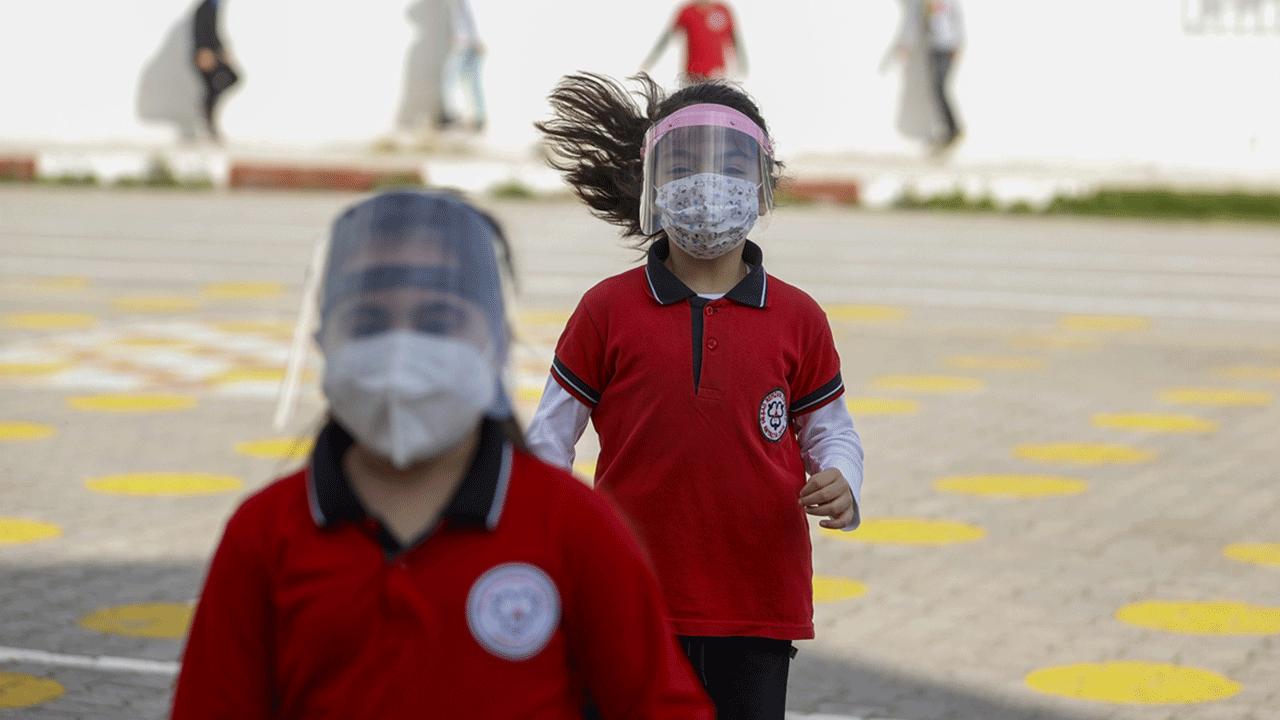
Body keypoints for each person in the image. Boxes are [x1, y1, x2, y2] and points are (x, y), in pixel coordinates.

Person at [171, 191, 713, 719]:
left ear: (493, 339)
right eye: (368, 322)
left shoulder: (573, 526)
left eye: (436, 319)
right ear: (323, 339)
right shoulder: (264, 535)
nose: (400, 349)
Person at [532, 75, 865, 720]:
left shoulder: (799, 317)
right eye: (683, 165)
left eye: (730, 165)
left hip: (760, 604)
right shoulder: (605, 309)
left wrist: (842, 479)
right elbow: (548, 438)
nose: (708, 183)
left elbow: (832, 430)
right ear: (652, 182)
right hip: (628, 600)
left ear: (762, 184)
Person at [897, 0, 964, 150]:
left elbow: (957, 19)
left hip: (948, 48)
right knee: (935, 88)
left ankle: (953, 127)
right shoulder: (922, 3)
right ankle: (945, 129)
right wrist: (906, 44)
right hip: (934, 48)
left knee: (940, 86)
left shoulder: (950, 3)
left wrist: (958, 43)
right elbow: (913, 23)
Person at [641, 1, 746, 84]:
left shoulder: (722, 11)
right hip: (692, 75)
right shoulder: (687, 12)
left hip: (717, 74)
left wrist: (742, 62)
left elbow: (735, 39)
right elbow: (666, 38)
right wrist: (650, 61)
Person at [192, 0, 239, 142]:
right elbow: (200, 31)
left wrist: (222, 50)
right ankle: (207, 113)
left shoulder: (214, 7)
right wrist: (203, 50)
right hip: (205, 54)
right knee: (212, 87)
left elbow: (214, 33)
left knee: (225, 82)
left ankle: (207, 111)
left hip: (213, 53)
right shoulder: (204, 8)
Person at [438, 0, 487, 132]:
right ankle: (475, 117)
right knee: (470, 82)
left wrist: (477, 40)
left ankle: (453, 115)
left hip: (466, 46)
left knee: (452, 80)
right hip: (465, 45)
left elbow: (471, 18)